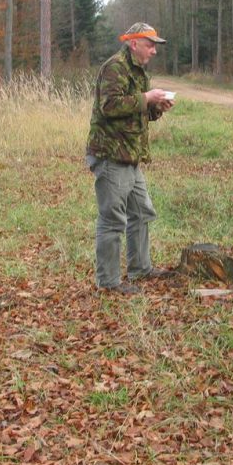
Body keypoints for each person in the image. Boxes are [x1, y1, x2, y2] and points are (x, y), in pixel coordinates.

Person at [86, 22, 175, 295]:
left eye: (155, 46)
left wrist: (156, 107)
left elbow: (138, 111)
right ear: (134, 43)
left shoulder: (138, 72)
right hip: (111, 155)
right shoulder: (115, 67)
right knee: (113, 219)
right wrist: (145, 97)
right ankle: (109, 283)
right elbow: (109, 106)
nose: (154, 51)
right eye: (150, 45)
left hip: (130, 157)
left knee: (141, 212)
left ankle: (140, 269)